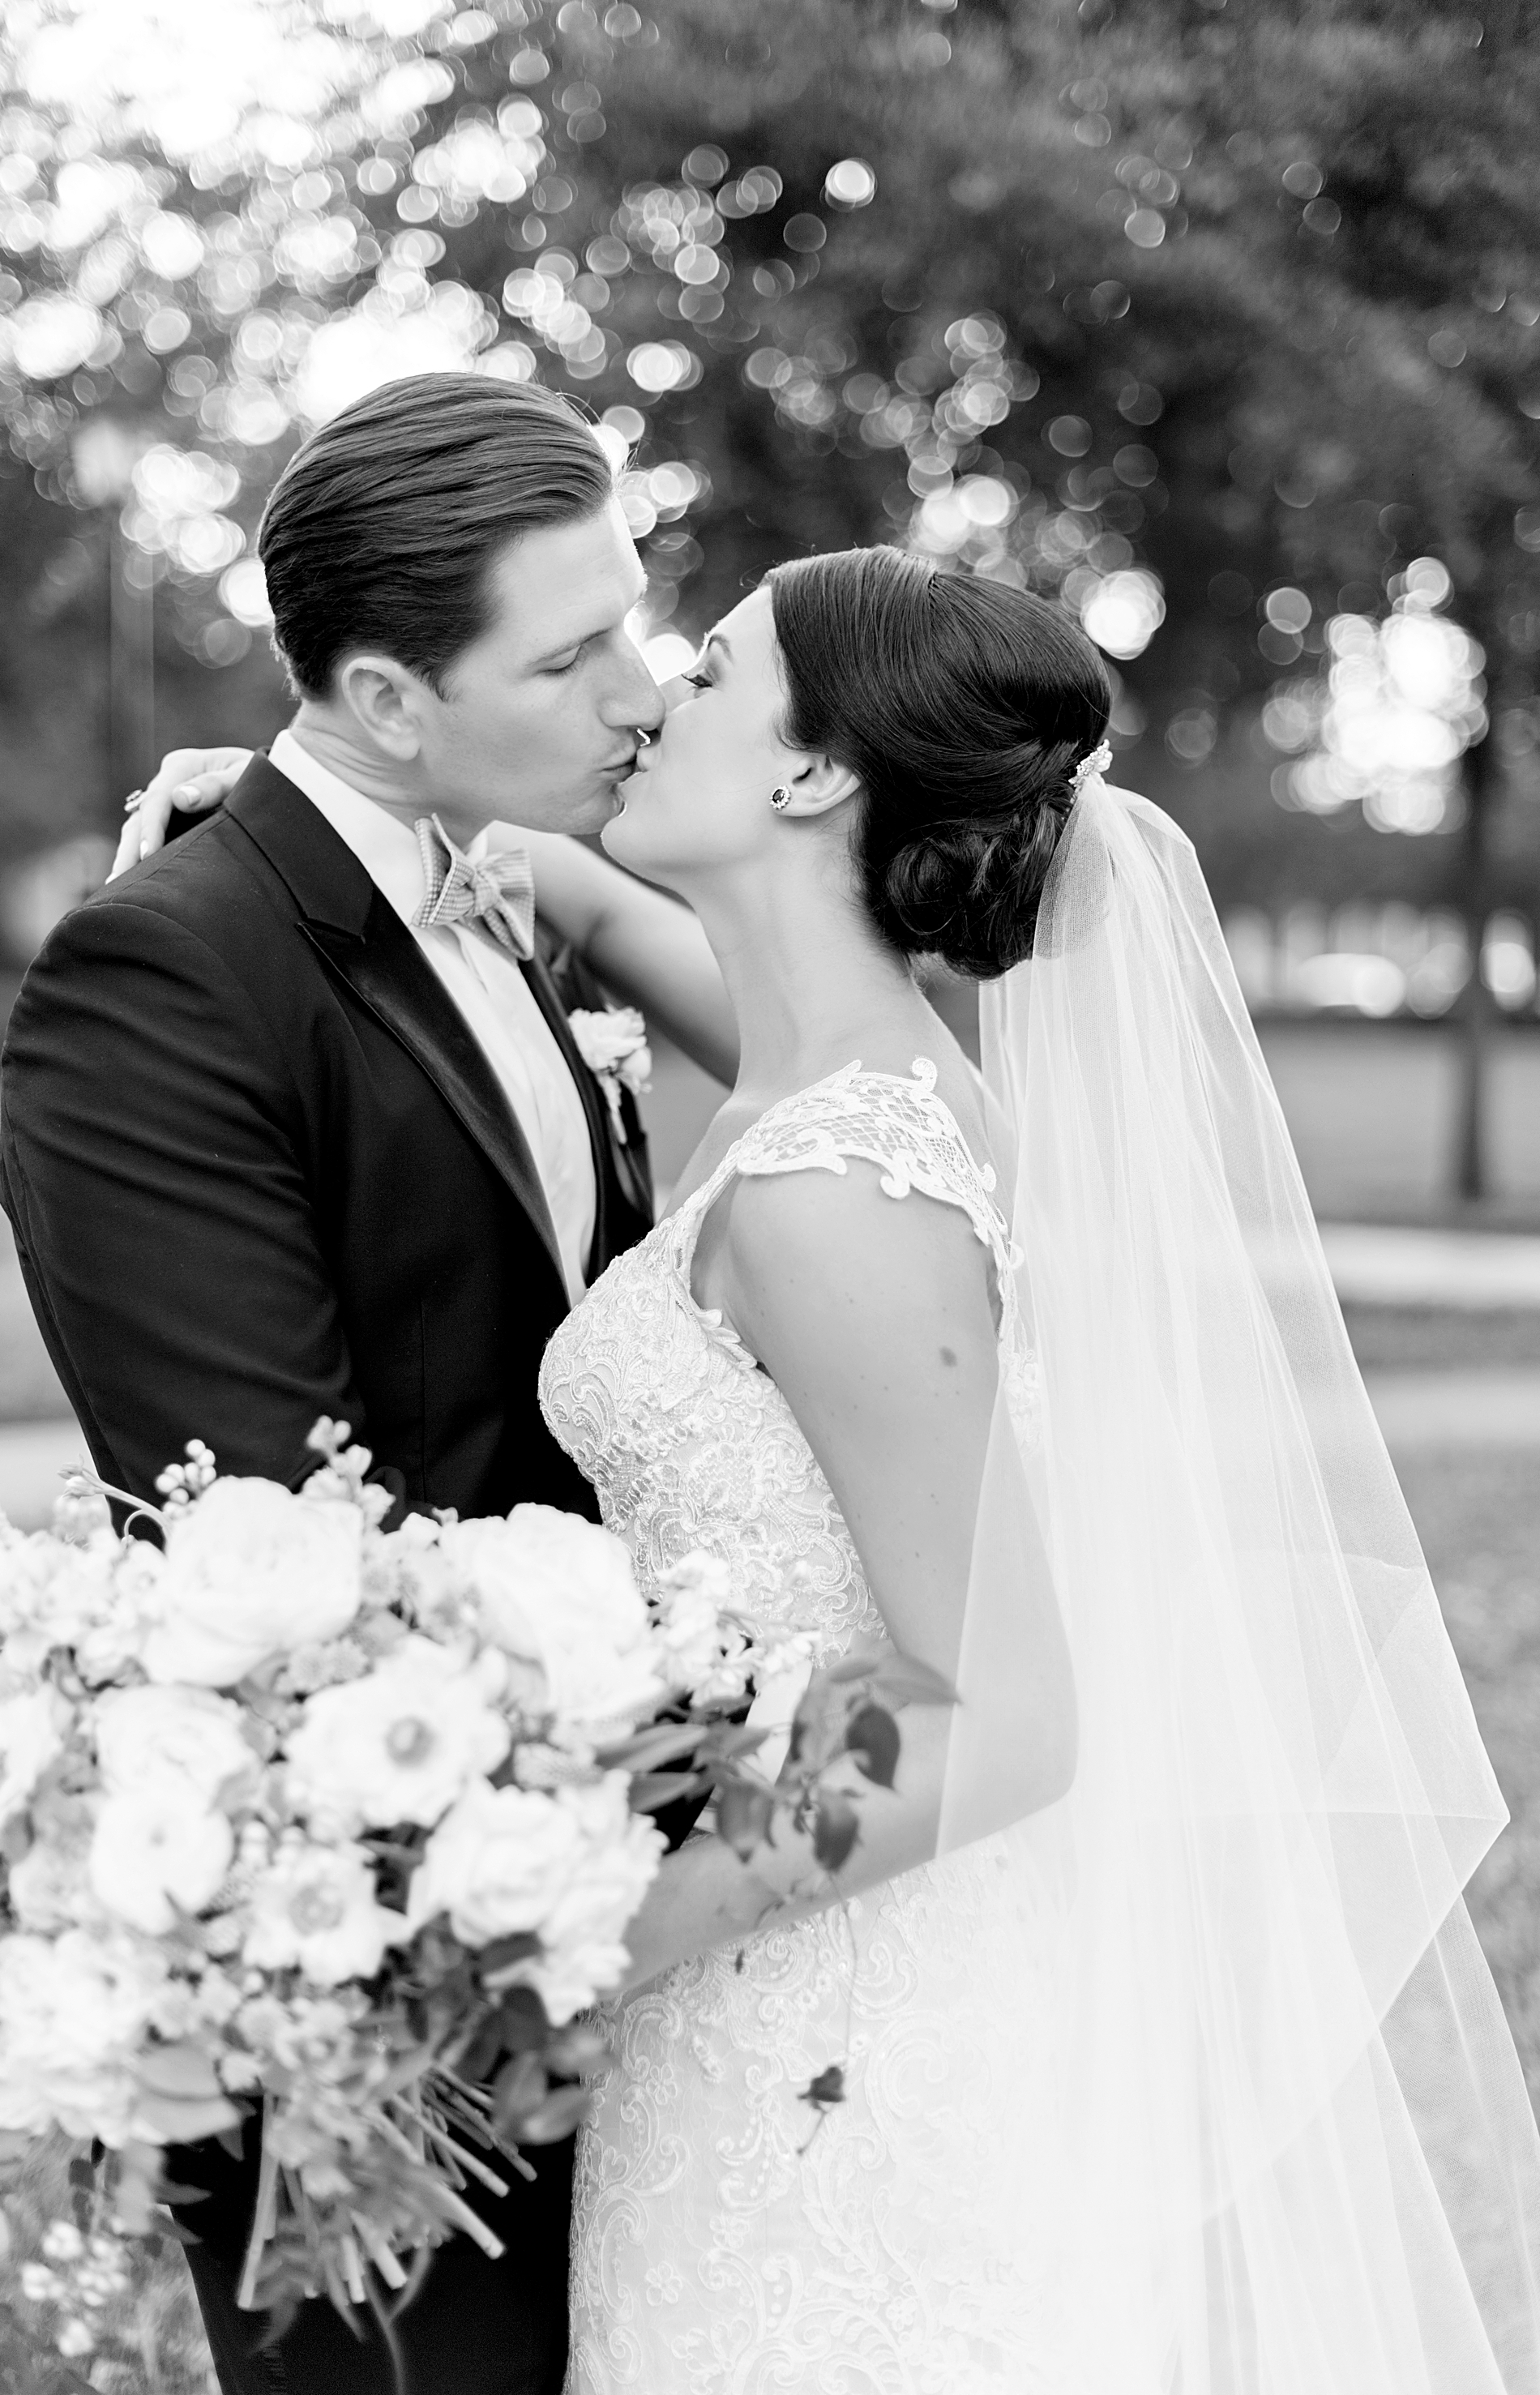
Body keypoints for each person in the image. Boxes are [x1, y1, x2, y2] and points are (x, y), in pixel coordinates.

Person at [119, 541, 1540, 2382]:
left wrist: (562, 1961)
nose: (652, 694)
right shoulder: (844, 1090)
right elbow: (671, 957)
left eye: (705, 668)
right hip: (812, 1987)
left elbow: (1006, 1718)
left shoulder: (832, 1190)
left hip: (846, 2039)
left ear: (807, 776)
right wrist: (334, 809)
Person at [0, 371, 737, 2395]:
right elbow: (270, 1527)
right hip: (391, 1999)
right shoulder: (168, 970)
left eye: (633, 623)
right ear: (391, 700)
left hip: (629, 1943)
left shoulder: (509, 891)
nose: (641, 695)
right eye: (572, 658)